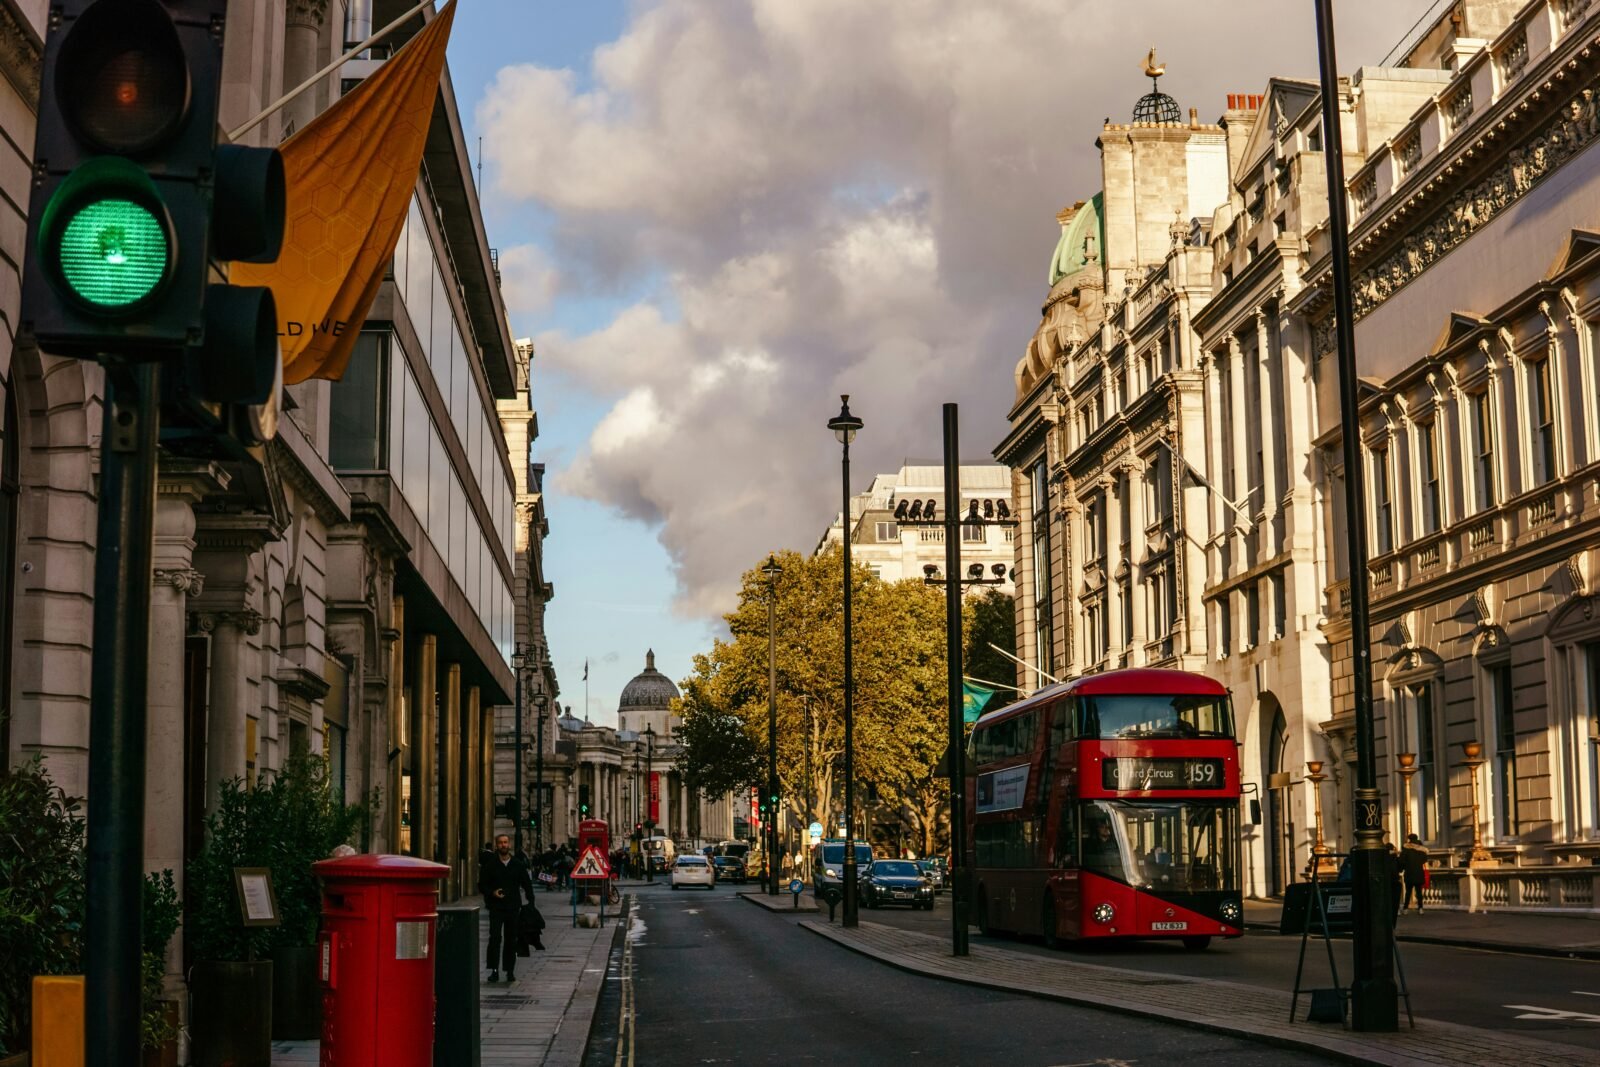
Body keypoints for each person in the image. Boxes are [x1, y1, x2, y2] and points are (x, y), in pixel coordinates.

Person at [479, 833, 532, 983]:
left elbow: (526, 883)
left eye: (506, 842)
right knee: (495, 938)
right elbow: (482, 885)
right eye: (501, 843)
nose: (503, 845)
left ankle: (509, 970)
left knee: (511, 940)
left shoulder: (517, 864)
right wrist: (492, 893)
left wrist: (531, 901)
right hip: (496, 907)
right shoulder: (490, 865)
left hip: (513, 907)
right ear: (497, 845)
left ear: (509, 845)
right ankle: (494, 970)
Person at [1400, 833, 1429, 914]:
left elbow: (1401, 861)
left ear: (1409, 839)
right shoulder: (1422, 850)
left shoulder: (1406, 850)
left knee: (1408, 892)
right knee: (1419, 892)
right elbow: (1424, 860)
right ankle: (1420, 908)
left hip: (1409, 873)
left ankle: (1405, 908)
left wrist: (1403, 867)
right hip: (1418, 873)